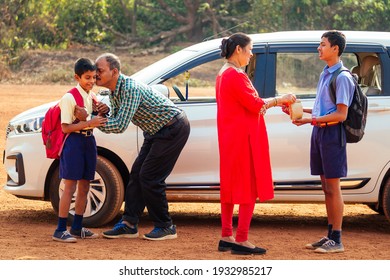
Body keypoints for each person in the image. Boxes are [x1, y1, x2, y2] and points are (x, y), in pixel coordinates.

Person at [93, 53, 190, 241]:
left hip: (172, 128)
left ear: (114, 71)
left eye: (100, 70)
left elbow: (120, 125)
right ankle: (129, 224)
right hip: (155, 130)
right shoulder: (114, 90)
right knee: (137, 174)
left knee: (150, 177)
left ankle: (166, 226)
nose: (96, 74)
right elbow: (119, 116)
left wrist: (92, 123)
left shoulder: (129, 88)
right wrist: (106, 113)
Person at [216, 33, 296, 255]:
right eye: (250, 50)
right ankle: (241, 239)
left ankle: (226, 235)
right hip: (244, 139)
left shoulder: (223, 73)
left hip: (231, 137)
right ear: (239, 49)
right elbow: (255, 105)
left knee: (230, 186)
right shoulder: (236, 75)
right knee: (248, 187)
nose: (251, 54)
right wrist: (281, 99)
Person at [292, 30, 355, 253]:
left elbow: (340, 115)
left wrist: (311, 120)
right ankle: (330, 235)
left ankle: (337, 240)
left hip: (331, 134)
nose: (319, 48)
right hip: (319, 132)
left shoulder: (343, 77)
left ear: (335, 49)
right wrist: (299, 111)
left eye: (323, 45)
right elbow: (322, 108)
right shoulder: (325, 73)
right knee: (326, 187)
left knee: (334, 187)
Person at [52, 58, 107, 243]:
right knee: (70, 186)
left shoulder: (92, 96)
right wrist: (89, 122)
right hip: (74, 143)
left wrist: (101, 112)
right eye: (87, 77)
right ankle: (60, 229)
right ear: (77, 77)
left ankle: (76, 227)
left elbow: (96, 119)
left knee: (85, 185)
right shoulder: (69, 97)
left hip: (88, 141)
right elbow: (65, 128)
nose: (91, 81)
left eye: (93, 77)